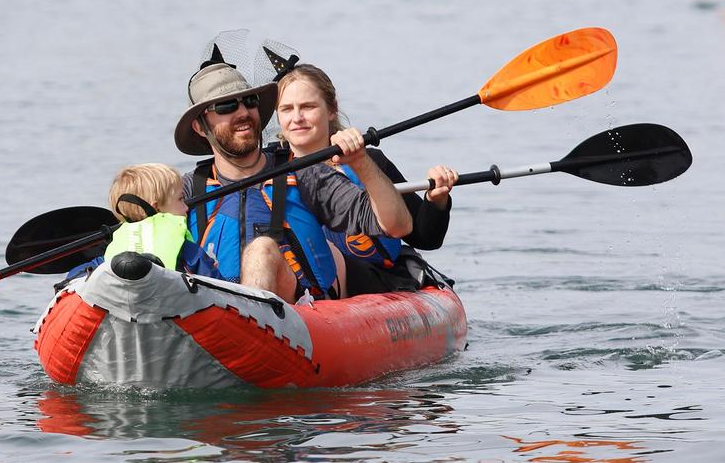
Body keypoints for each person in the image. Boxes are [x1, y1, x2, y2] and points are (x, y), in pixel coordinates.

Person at [176, 62, 413, 304]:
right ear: (199, 126)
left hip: (301, 309)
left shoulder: (305, 173)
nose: (243, 113)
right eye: (226, 106)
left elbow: (398, 226)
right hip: (215, 315)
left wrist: (361, 162)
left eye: (250, 102)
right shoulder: (184, 190)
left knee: (262, 250)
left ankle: (251, 320)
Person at [275, 64, 457, 296]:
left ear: (331, 109)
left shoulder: (370, 163)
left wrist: (436, 200)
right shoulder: (269, 171)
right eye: (287, 109)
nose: (297, 118)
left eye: (308, 107)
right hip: (301, 286)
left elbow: (426, 238)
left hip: (372, 283)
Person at [65, 164, 223, 281]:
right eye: (181, 199)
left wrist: (72, 281)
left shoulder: (119, 242)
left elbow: (77, 274)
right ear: (156, 208)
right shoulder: (184, 248)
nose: (186, 207)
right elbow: (218, 286)